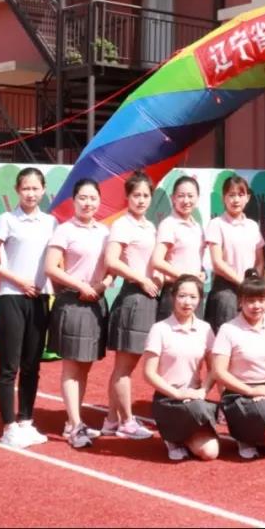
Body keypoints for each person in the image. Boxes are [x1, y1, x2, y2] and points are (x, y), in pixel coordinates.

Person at [0, 167, 57, 448]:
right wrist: (19, 281)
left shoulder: (51, 222)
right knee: (9, 366)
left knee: (31, 365)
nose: (31, 193)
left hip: (40, 298)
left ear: (43, 190)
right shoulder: (7, 220)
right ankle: (9, 427)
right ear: (17, 190)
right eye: (26, 188)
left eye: (36, 188)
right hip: (12, 297)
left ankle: (26, 421)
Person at [44, 179, 111, 449]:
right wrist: (80, 286)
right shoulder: (64, 230)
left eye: (93, 198)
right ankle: (74, 425)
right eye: (83, 197)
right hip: (72, 303)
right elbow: (51, 268)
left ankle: (74, 421)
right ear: (74, 200)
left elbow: (111, 269)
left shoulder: (105, 232)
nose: (88, 203)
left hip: (96, 303)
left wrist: (101, 286)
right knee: (72, 368)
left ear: (99, 201)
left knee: (84, 366)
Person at [212, 273, 265, 459]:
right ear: (240, 302)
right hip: (240, 394)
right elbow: (219, 371)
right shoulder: (228, 329)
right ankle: (244, 435)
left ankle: (257, 436)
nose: (257, 306)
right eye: (250, 301)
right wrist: (251, 391)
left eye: (261, 300)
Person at [103, 171, 158, 440]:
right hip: (133, 297)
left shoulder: (150, 226)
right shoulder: (122, 225)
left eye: (146, 195)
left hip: (149, 296)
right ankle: (126, 421)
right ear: (127, 197)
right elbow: (112, 261)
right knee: (124, 367)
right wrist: (142, 279)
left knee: (128, 366)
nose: (141, 200)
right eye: (136, 195)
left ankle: (111, 419)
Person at [143, 275, 219, 461]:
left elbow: (214, 368)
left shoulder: (205, 329)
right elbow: (149, 373)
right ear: (173, 297)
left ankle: (183, 435)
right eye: (182, 296)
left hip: (194, 398)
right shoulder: (159, 329)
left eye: (193, 297)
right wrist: (177, 394)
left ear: (200, 299)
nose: (187, 302)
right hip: (168, 398)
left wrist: (203, 391)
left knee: (210, 452)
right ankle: (172, 436)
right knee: (206, 450)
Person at [205, 175, 265, 333]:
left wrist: (253, 284)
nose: (236, 200)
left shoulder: (252, 226)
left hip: (250, 292)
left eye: (240, 194)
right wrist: (242, 283)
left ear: (247, 198)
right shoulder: (217, 224)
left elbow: (260, 261)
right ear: (224, 198)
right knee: (226, 336)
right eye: (231, 195)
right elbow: (217, 262)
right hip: (226, 291)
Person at [152, 176, 205, 320]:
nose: (186, 200)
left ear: (197, 198)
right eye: (181, 196)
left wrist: (201, 274)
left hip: (195, 294)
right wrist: (187, 277)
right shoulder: (169, 224)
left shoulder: (197, 227)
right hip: (174, 292)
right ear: (173, 198)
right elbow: (157, 261)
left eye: (190, 196)